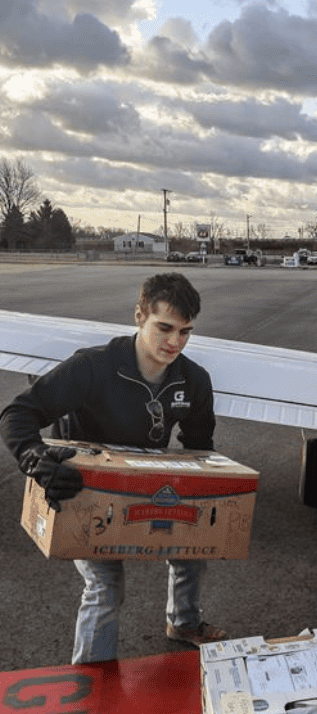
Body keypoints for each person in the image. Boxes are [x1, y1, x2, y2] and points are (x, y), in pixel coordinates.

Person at [0, 272, 227, 663]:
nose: (175, 342)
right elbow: (17, 413)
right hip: (82, 488)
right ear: (140, 316)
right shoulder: (92, 367)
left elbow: (199, 447)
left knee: (193, 542)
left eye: (186, 332)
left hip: (142, 481)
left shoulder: (193, 380)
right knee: (106, 585)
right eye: (165, 328)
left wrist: (205, 496)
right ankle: (91, 679)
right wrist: (33, 458)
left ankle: (184, 621)